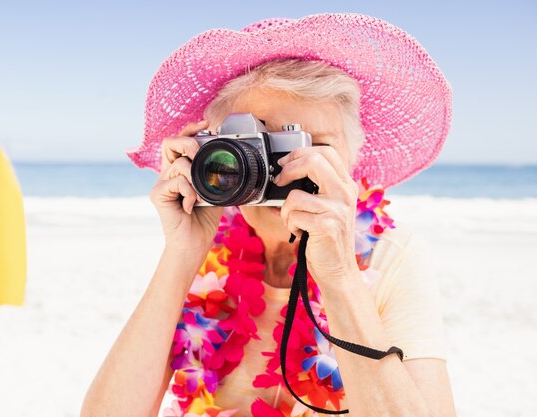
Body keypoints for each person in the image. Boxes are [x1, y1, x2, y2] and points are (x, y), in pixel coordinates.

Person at [80, 13, 457, 417]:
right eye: (260, 148)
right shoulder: (207, 258)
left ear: (350, 164)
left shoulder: (393, 257)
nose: (283, 170)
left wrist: (340, 277)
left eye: (311, 150)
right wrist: (181, 254)